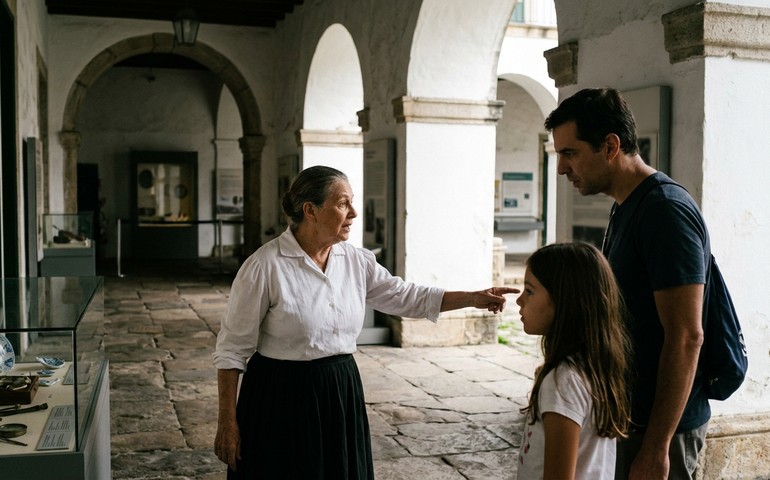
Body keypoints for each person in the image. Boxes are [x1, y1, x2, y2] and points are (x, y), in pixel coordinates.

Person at [213, 165, 519, 479]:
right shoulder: (264, 266)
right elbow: (232, 350)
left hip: (339, 389)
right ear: (310, 210)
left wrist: (471, 297)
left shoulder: (356, 260)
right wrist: (228, 423)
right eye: (343, 203)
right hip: (281, 398)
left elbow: (404, 296)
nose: (355, 212)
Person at [545, 87, 711, 480]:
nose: (562, 169)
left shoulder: (664, 211)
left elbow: (687, 335)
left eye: (570, 154)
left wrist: (656, 447)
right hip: (632, 418)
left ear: (610, 145)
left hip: (659, 428)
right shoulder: (628, 205)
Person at [516, 242, 632, 480]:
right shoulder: (592, 367)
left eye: (529, 291)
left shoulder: (562, 383)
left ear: (564, 302)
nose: (520, 300)